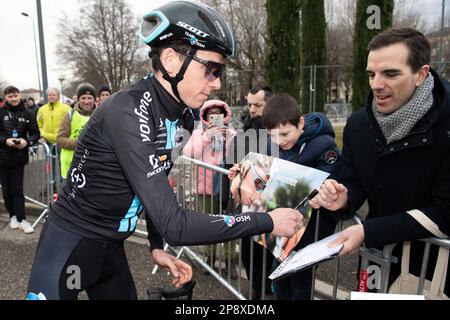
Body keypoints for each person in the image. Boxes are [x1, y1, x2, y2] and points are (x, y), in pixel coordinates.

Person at [27, 1, 301, 300]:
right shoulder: (127, 112)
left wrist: (156, 246)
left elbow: (155, 186)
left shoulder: (182, 116)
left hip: (111, 249)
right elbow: (176, 225)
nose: (217, 82)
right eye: (211, 69)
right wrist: (267, 220)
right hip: (70, 242)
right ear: (171, 61)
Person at [310, 27, 450, 295]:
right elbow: (352, 179)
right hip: (376, 262)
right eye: (372, 74)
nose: (376, 84)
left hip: (434, 272)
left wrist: (368, 231)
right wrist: (342, 197)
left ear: (421, 74)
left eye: (390, 73)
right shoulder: (358, 125)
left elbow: (445, 212)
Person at [260, 93, 341, 300]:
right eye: (273, 136)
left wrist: (318, 191)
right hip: (286, 224)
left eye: (285, 134)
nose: (280, 141)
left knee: (300, 278)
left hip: (312, 227)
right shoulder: (276, 145)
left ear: (301, 123)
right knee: (278, 276)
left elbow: (333, 180)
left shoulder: (324, 146)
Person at [224, 85, 274, 299]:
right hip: (246, 208)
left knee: (267, 256)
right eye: (250, 104)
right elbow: (231, 159)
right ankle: (255, 291)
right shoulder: (245, 130)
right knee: (248, 253)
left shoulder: (277, 132)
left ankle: (268, 292)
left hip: (271, 207)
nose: (252, 109)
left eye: (257, 105)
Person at [183, 99, 237, 269]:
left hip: (226, 189)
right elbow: (188, 152)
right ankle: (210, 258)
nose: (215, 116)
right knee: (209, 225)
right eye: (211, 113)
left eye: (218, 113)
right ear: (205, 115)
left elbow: (238, 156)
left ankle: (230, 260)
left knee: (231, 224)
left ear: (224, 115)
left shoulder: (232, 134)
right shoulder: (198, 134)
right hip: (204, 189)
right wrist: (207, 137)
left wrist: (227, 136)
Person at [0, 86, 40, 233]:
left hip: (18, 158)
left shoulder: (28, 113)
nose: (13, 99)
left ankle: (22, 219)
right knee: (6, 191)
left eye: (15, 95)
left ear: (19, 95)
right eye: (10, 96)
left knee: (17, 190)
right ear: (6, 97)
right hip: (3, 158)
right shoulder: (1, 112)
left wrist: (26, 142)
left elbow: (36, 134)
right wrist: (6, 141)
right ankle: (13, 216)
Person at [57, 83, 96, 180]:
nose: (86, 101)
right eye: (83, 98)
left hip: (93, 169)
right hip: (71, 168)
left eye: (89, 98)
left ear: (94, 99)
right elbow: (59, 140)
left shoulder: (100, 116)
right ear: (78, 99)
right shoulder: (70, 115)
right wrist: (80, 142)